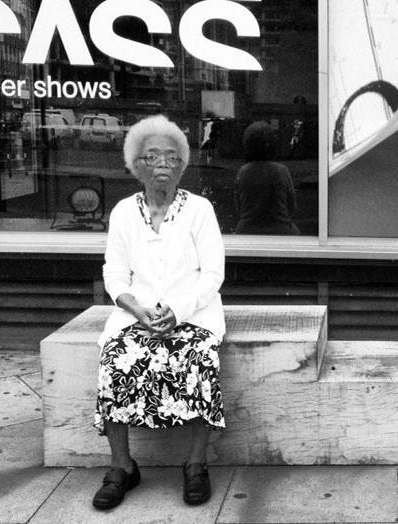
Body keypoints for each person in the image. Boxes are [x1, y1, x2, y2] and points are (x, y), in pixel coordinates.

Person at [92, 115, 226, 510]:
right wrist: (135, 309)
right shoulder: (121, 212)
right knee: (115, 358)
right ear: (137, 166)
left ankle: (196, 464)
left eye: (172, 157)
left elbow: (214, 274)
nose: (163, 164)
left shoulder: (199, 210)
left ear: (182, 165)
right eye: (152, 156)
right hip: (138, 315)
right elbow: (115, 274)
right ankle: (122, 467)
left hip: (194, 312)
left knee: (200, 356)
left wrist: (179, 311)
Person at [234, 121, 301, 235]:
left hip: (247, 230)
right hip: (282, 230)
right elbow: (291, 205)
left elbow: (238, 206)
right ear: (272, 145)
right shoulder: (281, 170)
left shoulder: (243, 171)